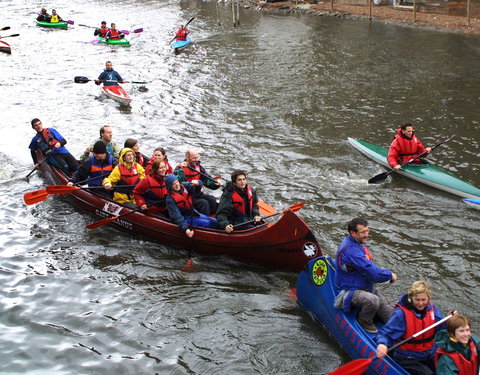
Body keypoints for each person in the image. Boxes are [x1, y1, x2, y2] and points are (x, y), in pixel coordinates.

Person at [334, 217, 397, 334]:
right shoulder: (351, 250)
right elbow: (373, 273)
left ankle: (395, 330)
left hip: (365, 286)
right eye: (363, 232)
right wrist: (389, 275)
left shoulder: (359, 243)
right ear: (352, 233)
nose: (366, 235)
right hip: (350, 290)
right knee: (373, 301)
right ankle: (364, 320)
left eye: (367, 231)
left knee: (389, 312)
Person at [375, 280, 446, 375]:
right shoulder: (401, 314)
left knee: (446, 368)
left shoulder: (432, 310)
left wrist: (451, 321)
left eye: (423, 300)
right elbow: (386, 334)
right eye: (417, 300)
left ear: (428, 299)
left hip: (429, 353)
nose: (421, 303)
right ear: (411, 298)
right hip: (408, 356)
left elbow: (442, 327)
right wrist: (382, 344)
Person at [165, 174, 219, 238]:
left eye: (177, 182)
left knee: (215, 221)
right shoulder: (169, 199)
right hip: (185, 219)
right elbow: (177, 217)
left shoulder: (183, 186)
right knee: (208, 223)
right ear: (170, 186)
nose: (177, 185)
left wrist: (198, 182)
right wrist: (186, 229)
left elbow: (198, 184)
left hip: (193, 213)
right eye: (173, 184)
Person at [174, 149, 222, 216]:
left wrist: (216, 184)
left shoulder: (199, 167)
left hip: (197, 194)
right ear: (187, 157)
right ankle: (206, 221)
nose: (196, 160)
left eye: (197, 157)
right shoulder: (179, 168)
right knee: (203, 203)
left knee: (212, 199)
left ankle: (215, 217)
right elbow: (178, 182)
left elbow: (207, 180)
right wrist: (181, 170)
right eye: (194, 158)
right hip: (186, 195)